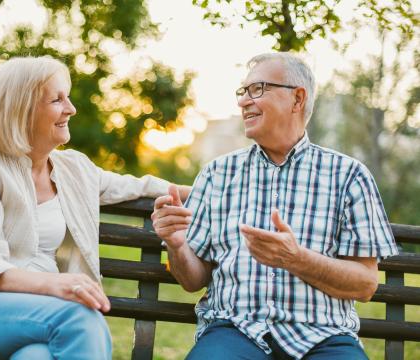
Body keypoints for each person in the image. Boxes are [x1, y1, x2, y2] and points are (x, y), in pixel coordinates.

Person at [0, 56, 189, 360]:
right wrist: (58, 285)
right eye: (57, 99)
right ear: (23, 109)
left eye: (68, 98)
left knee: (37, 356)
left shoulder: (73, 168)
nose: (71, 109)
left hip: (42, 319)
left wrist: (205, 191)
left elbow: (136, 186)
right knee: (80, 319)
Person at [152, 52, 398, 360]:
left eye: (258, 89)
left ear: (297, 98)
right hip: (234, 330)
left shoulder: (348, 175)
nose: (243, 102)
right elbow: (193, 280)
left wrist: (297, 259)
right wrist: (176, 245)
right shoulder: (217, 174)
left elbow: (365, 284)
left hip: (323, 336)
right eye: (242, 92)